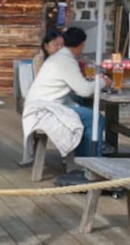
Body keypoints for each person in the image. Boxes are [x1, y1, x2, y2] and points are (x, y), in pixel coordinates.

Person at [23, 27, 107, 175]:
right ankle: (91, 166)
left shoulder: (60, 56)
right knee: (95, 119)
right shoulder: (66, 60)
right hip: (44, 110)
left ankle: (81, 162)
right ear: (82, 45)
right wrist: (103, 82)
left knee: (84, 111)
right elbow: (85, 90)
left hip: (40, 105)